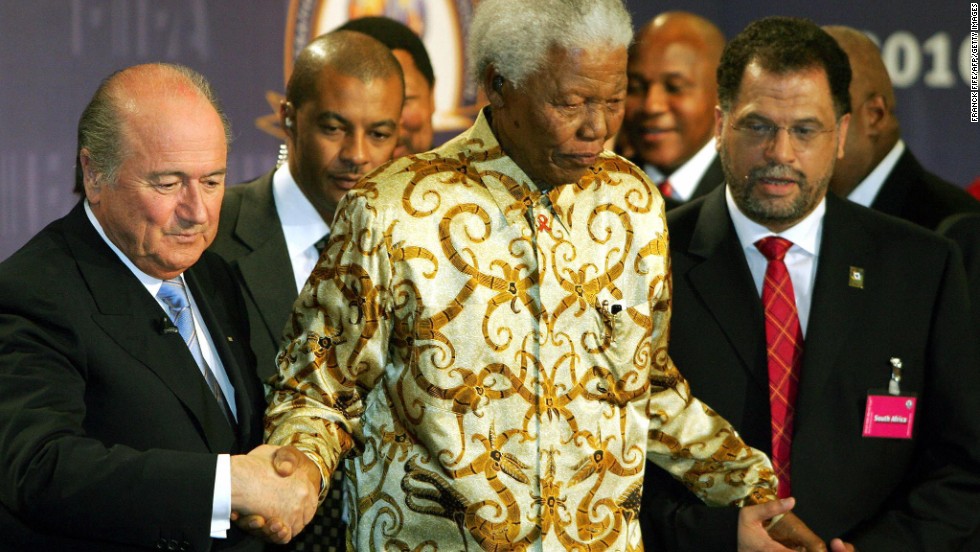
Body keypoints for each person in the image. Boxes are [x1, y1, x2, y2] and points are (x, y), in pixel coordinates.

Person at [262, 1, 826, 550]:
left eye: (613, 98)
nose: (597, 127)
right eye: (572, 101)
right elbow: (316, 389)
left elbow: (645, 387)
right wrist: (298, 473)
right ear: (499, 84)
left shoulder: (630, 202)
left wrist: (753, 490)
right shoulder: (393, 210)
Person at [641, 17, 980, 551]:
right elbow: (605, 468)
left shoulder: (922, 268)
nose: (780, 153)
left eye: (804, 129)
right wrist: (721, 537)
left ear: (841, 134)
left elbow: (962, 472)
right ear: (719, 123)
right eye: (757, 126)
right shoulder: (645, 259)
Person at [0, 63, 320, 551]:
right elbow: (39, 467)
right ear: (94, 173)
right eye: (168, 184)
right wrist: (226, 486)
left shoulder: (212, 273)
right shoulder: (32, 292)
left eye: (212, 182)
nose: (196, 211)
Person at [211, 30, 404, 379]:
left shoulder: (414, 250)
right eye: (333, 128)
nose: (356, 155)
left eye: (378, 134)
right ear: (289, 117)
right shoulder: (210, 232)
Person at [823, 25, 980, 229]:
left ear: (874, 116)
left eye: (810, 123)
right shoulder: (794, 221)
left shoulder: (956, 228)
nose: (786, 148)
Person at [623, 11, 726, 210]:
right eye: (635, 87)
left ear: (721, 93)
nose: (651, 106)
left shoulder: (744, 193)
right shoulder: (600, 189)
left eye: (674, 87)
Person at [338, 16, 436, 158]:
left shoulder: (466, 179)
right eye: (364, 104)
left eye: (403, 101)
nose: (388, 124)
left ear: (432, 96)